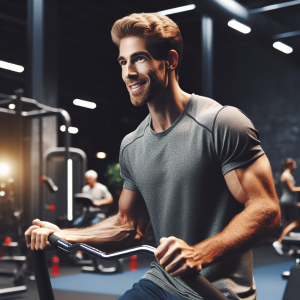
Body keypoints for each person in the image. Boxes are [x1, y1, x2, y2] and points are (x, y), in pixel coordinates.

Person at [25, 13, 280, 300]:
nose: (128, 72)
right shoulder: (132, 144)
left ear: (170, 60)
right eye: (123, 62)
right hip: (161, 282)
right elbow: (128, 225)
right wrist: (66, 234)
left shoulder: (221, 123)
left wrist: (198, 254)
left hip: (215, 291)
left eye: (140, 58)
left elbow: (266, 210)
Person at [273, 158, 300, 255]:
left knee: (286, 223)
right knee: (295, 223)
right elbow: (292, 189)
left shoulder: (285, 175)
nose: (295, 166)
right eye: (294, 164)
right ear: (290, 165)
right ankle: (279, 242)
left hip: (287, 201)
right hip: (288, 201)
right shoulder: (287, 175)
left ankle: (284, 243)